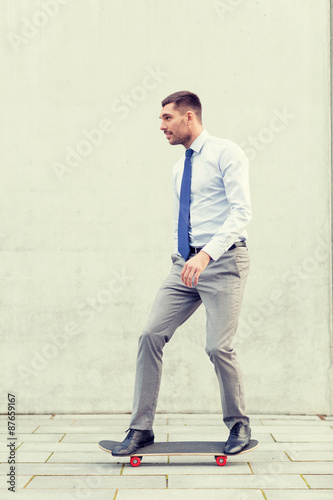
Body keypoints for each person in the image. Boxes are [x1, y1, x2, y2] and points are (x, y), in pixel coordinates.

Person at [112, 91, 252, 456]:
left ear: (189, 117)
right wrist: (184, 256)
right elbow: (187, 218)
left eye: (167, 119)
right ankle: (141, 428)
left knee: (218, 346)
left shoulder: (226, 153)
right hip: (185, 266)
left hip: (221, 263)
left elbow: (241, 212)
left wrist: (205, 256)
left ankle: (238, 423)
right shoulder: (179, 167)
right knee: (150, 335)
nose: (161, 126)